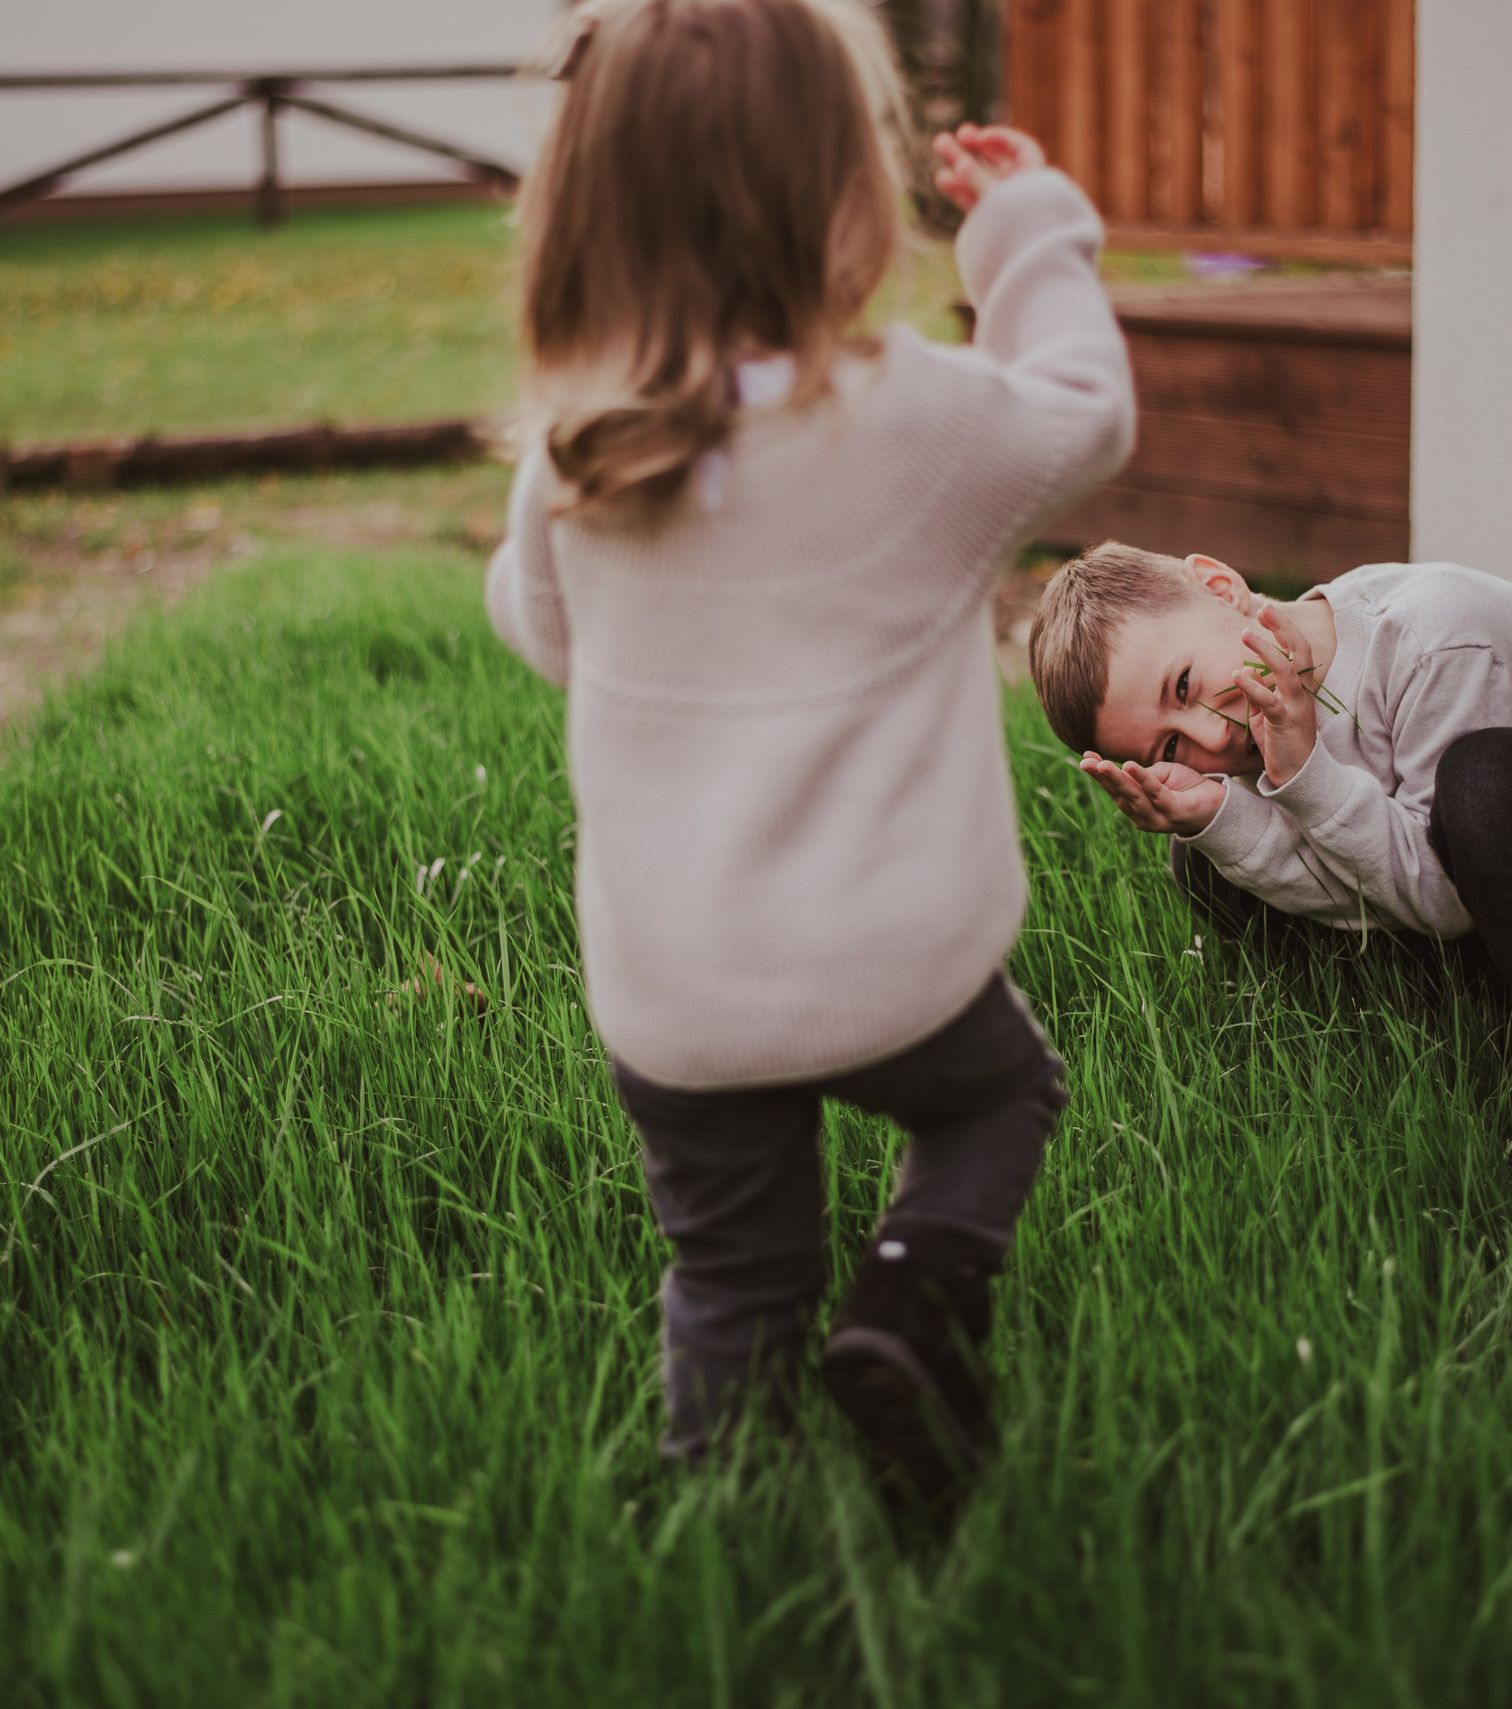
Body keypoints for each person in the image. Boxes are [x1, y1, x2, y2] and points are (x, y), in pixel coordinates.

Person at [482, 0, 1134, 1512]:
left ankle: (722, 1515)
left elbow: (544, 631)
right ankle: (909, 1299)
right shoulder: (915, 421)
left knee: (730, 1270)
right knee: (997, 1099)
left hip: (680, 997)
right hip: (894, 958)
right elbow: (1089, 419)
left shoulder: (582, 448)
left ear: (590, 208)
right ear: (851, 191)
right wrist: (1030, 229)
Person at [1027, 543, 1512, 1193]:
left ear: (1221, 586)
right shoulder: (1248, 716)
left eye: (1183, 687)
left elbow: (1447, 896)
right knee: (1209, 846)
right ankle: (1415, 1025)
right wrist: (1221, 819)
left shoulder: (1435, 643)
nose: (1212, 736)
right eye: (1168, 750)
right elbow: (1374, 861)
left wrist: (1304, 776)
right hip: (1502, 897)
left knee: (1483, 783)